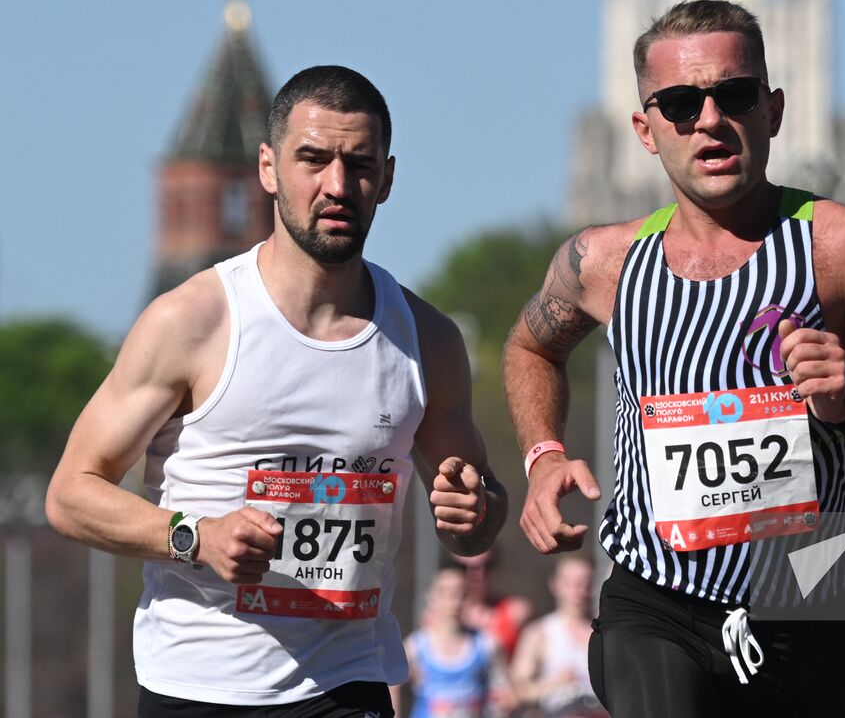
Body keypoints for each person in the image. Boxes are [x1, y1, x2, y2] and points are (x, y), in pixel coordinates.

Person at [502, 0, 845, 717]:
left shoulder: (843, 250)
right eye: (682, 103)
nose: (710, 119)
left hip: (799, 599)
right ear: (646, 129)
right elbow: (531, 344)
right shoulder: (604, 261)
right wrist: (543, 456)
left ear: (774, 109)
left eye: (735, 94)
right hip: (654, 599)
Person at [46, 65, 508, 715]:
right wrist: (194, 536)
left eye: (360, 163)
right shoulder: (193, 321)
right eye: (313, 159)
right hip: (197, 686)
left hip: (349, 683)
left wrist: (475, 509)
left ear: (389, 177)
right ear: (268, 167)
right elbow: (71, 493)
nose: (337, 185)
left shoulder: (425, 338)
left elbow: (476, 524)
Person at [392, 566, 513, 718]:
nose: (453, 601)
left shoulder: (486, 644)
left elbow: (505, 696)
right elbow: (392, 684)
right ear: (431, 596)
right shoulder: (415, 647)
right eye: (445, 593)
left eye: (460, 593)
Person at [510, 557, 604, 718]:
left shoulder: (604, 633)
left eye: (584, 582)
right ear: (555, 584)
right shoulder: (539, 633)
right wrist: (554, 685)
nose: (577, 590)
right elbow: (518, 691)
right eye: (569, 583)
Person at [453, 548, 533, 661]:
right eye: (466, 568)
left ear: (496, 569)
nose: (477, 575)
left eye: (487, 566)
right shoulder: (443, 616)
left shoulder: (517, 612)